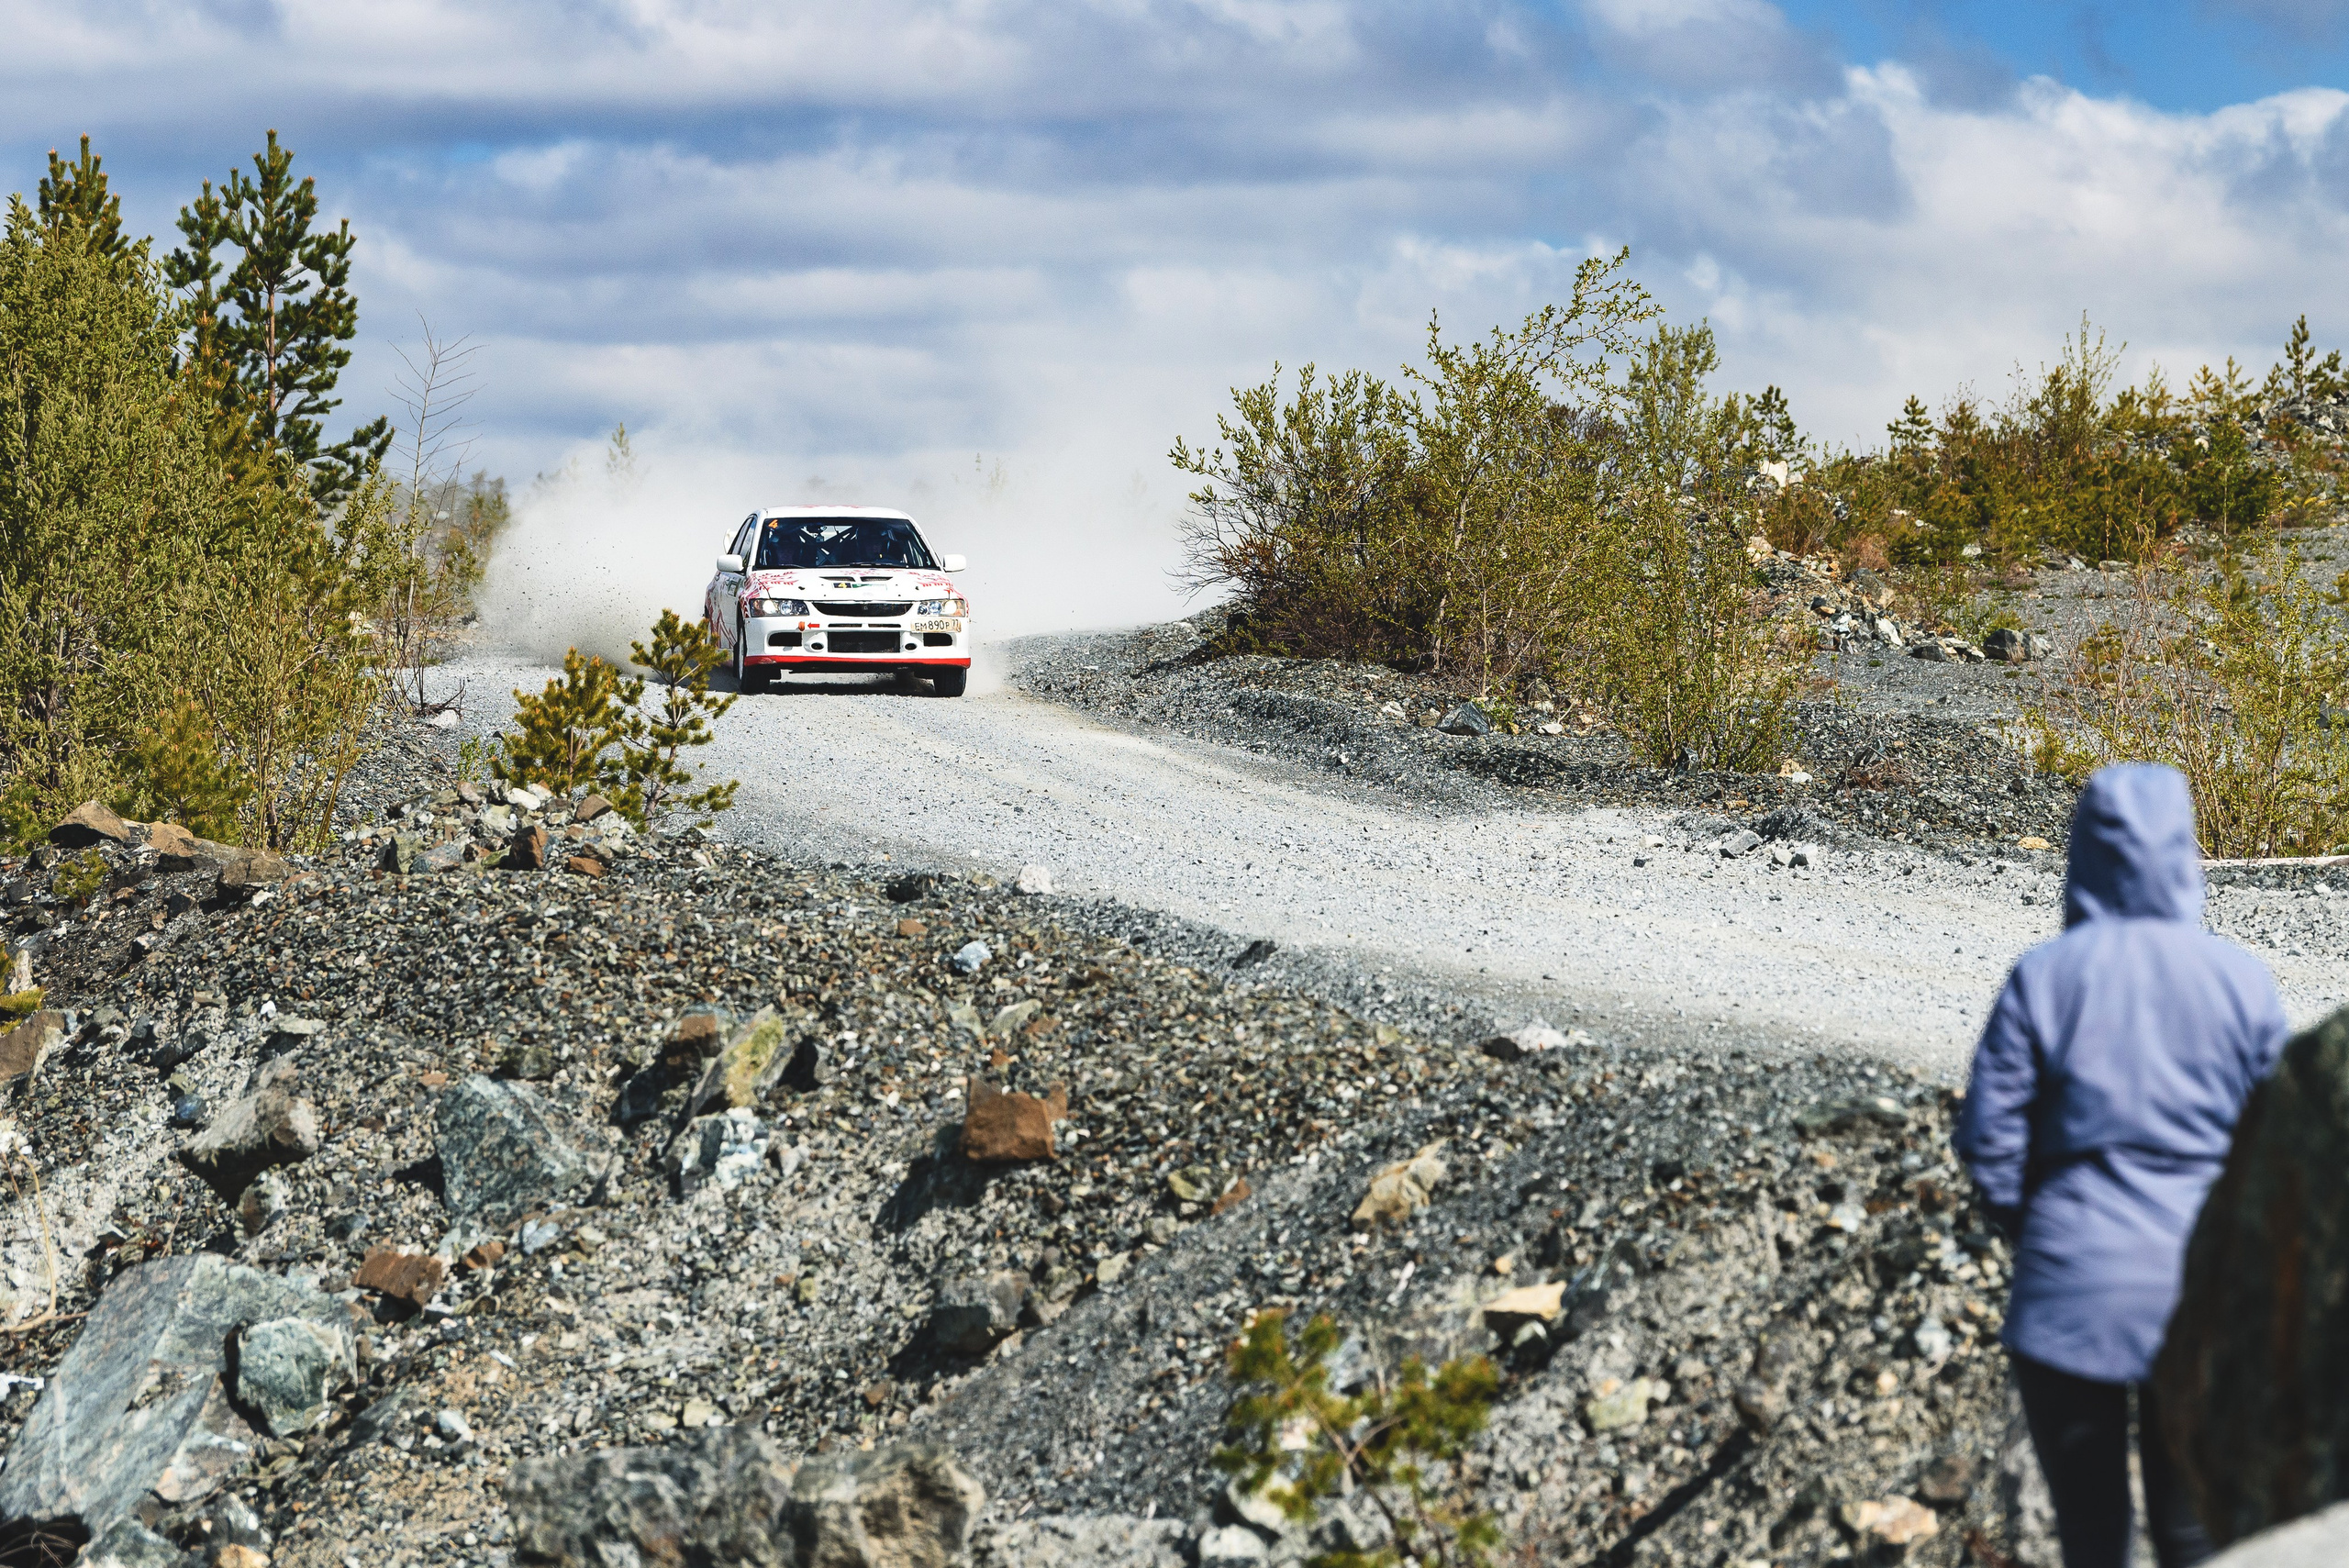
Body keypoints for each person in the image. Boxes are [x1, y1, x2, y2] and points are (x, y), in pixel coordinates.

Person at [1954, 763, 2288, 1568]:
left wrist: (2041, 1225)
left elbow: (1986, 1137)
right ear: (2185, 854)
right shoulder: (2243, 981)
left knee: (2095, 1538)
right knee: (2195, 1535)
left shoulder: (2046, 976)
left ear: (2083, 853)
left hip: (2072, 1290)